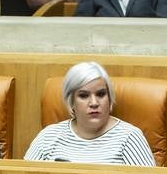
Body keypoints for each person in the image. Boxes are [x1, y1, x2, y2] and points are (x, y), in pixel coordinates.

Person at [26, 62, 155, 165]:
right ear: (71, 101)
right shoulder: (48, 137)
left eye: (101, 94)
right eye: (84, 95)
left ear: (109, 98)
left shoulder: (130, 138)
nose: (94, 102)